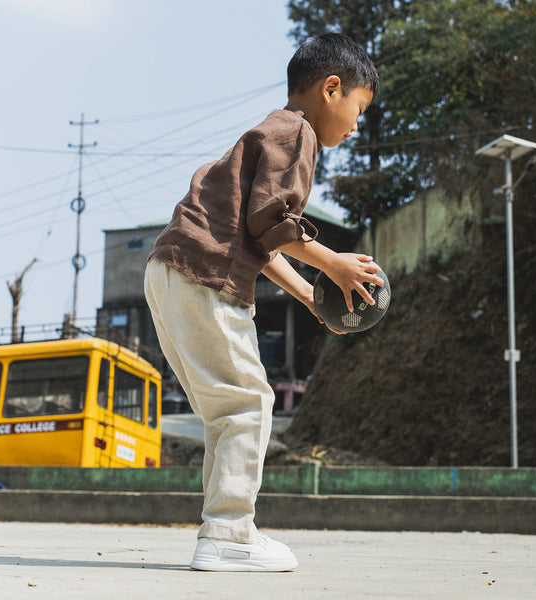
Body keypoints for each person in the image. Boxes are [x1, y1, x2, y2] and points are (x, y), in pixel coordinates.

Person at [144, 32, 381, 572]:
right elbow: (273, 224)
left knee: (225, 410)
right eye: (359, 109)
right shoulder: (297, 133)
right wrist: (333, 263)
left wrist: (311, 296)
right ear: (332, 88)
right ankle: (228, 532)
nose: (356, 123)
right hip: (202, 276)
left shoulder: (264, 133)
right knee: (248, 402)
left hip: (171, 271)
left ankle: (225, 528)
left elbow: (259, 238)